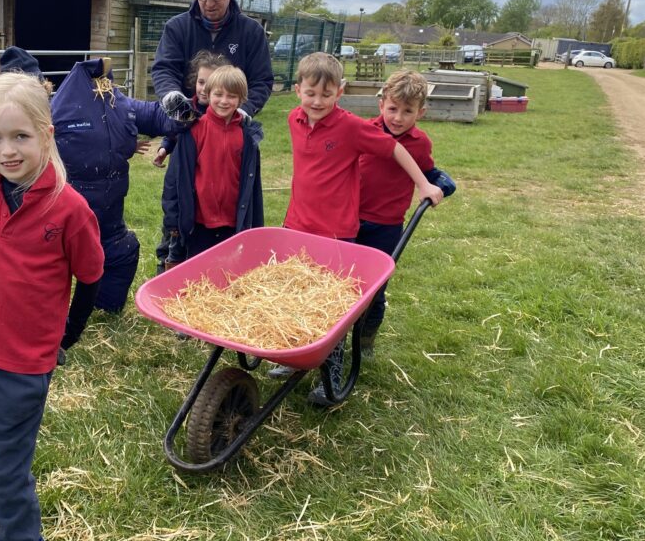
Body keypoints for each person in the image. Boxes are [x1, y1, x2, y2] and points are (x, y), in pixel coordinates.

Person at [0, 74, 104, 541]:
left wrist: (64, 338)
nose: (6, 151)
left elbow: (92, 276)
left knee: (6, 471)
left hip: (22, 365)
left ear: (47, 134)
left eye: (20, 137)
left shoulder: (68, 208)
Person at [276, 53, 444, 406]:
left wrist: (425, 185)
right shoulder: (293, 118)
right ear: (297, 91)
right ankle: (296, 355)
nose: (317, 102)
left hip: (339, 229)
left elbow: (395, 148)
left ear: (340, 91)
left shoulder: (351, 127)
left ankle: (333, 366)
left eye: (326, 94)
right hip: (297, 224)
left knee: (335, 302)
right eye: (310, 93)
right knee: (295, 291)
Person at [51, 57, 188, 313]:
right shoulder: (58, 111)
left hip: (109, 217)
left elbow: (163, 117)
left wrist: (185, 108)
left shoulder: (120, 105)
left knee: (122, 252)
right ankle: (54, 310)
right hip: (67, 217)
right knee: (58, 260)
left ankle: (103, 307)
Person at [356, 69, 456, 357]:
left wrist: (438, 185)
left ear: (420, 112)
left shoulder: (420, 144)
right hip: (349, 219)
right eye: (392, 109)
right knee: (340, 280)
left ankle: (364, 342)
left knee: (374, 290)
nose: (398, 117)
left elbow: (428, 173)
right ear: (381, 105)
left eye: (407, 111)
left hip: (386, 226)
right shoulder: (364, 130)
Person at [161, 65, 264, 267]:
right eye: (219, 94)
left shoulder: (247, 137)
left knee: (229, 273)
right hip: (199, 223)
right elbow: (175, 179)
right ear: (208, 94)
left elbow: (253, 188)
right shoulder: (194, 131)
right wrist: (173, 220)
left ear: (241, 100)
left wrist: (255, 225)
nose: (224, 101)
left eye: (232, 96)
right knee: (198, 275)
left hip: (233, 223)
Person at [151, 0, 273, 120]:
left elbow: (261, 80)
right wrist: (171, 96)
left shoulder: (251, 32)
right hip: (186, 120)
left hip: (232, 122)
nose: (209, 3)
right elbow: (164, 68)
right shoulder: (177, 28)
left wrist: (244, 110)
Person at [152, 49, 228, 168]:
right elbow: (174, 132)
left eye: (210, 84)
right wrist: (165, 148)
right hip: (181, 168)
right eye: (201, 82)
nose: (204, 89)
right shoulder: (185, 109)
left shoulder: (224, 115)